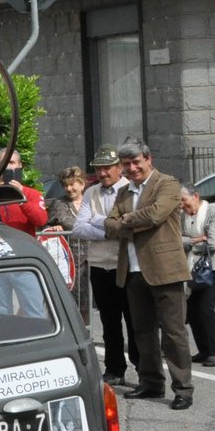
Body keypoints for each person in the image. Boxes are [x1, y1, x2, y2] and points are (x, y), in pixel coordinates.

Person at [104, 141, 193, 410]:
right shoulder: (123, 192)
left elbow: (156, 215)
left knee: (173, 333)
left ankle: (183, 390)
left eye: (136, 162)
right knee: (142, 333)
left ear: (148, 159)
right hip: (132, 272)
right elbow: (108, 226)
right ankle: (151, 382)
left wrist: (125, 221)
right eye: (126, 164)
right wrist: (126, 222)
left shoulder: (167, 184)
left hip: (165, 270)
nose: (132, 169)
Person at [72, 147, 139, 386]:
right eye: (98, 168)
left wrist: (101, 224)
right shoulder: (91, 192)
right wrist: (110, 231)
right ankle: (114, 369)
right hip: (99, 264)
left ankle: (142, 369)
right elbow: (79, 227)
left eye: (106, 168)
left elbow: (128, 225)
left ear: (118, 167)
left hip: (125, 263)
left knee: (133, 319)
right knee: (109, 322)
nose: (101, 173)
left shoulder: (129, 189)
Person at [180, 185, 215, 367]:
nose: (181, 205)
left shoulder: (213, 212)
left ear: (195, 196)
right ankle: (203, 350)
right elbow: (177, 240)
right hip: (193, 268)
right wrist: (196, 239)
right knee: (192, 311)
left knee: (205, 308)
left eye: (183, 200)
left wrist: (190, 243)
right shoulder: (182, 216)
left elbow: (214, 243)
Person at [43, 165, 90, 324]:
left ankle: (87, 334)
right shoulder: (59, 204)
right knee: (73, 303)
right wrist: (53, 228)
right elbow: (46, 227)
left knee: (88, 304)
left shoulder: (91, 200)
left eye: (72, 184)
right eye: (65, 185)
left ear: (82, 183)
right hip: (72, 262)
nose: (69, 188)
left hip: (93, 260)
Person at [0, 149, 48, 234]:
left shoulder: (32, 194)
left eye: (11, 162)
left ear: (20, 165)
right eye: (3, 163)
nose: (7, 167)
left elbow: (41, 221)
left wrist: (21, 198)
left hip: (22, 243)